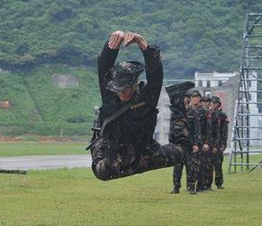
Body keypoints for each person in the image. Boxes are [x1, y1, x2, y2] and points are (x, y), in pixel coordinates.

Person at [90, 30, 188, 181]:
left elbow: (155, 74)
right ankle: (100, 138)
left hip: (148, 156)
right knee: (99, 171)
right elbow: (103, 67)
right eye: (119, 89)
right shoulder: (110, 96)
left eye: (126, 88)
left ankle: (176, 99)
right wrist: (110, 48)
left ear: (134, 85)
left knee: (184, 150)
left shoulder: (146, 98)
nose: (122, 92)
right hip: (116, 162)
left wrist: (143, 44)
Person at [171, 88, 201, 194]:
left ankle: (191, 187)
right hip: (178, 144)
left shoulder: (193, 112)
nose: (183, 100)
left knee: (191, 166)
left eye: (184, 98)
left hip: (189, 143)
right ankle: (176, 187)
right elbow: (172, 127)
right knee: (177, 167)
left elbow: (197, 130)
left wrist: (196, 144)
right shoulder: (176, 112)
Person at [210, 96, 228, 189]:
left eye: (215, 103)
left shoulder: (222, 116)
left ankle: (219, 183)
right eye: (212, 103)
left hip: (218, 142)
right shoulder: (207, 114)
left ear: (218, 104)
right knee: (207, 165)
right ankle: (207, 183)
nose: (213, 105)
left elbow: (224, 131)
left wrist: (223, 144)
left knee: (218, 164)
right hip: (208, 142)